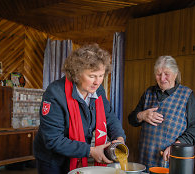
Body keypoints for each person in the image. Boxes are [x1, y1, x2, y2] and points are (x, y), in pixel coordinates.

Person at [33, 44, 126, 174]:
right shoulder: (55, 93)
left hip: (78, 153)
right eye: (92, 76)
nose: (97, 82)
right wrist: (90, 151)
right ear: (76, 73)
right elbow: (53, 139)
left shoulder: (98, 90)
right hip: (52, 159)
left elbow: (109, 117)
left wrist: (119, 138)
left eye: (101, 75)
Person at [128, 55, 195, 170]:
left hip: (171, 159)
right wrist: (142, 115)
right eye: (159, 74)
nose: (162, 78)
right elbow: (132, 119)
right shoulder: (149, 92)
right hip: (145, 158)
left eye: (166, 74)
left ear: (175, 74)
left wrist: (177, 145)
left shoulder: (186, 95)